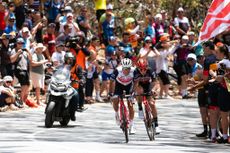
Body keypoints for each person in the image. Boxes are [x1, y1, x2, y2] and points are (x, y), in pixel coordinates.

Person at [133, 59, 161, 134]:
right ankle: (140, 108)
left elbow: (155, 82)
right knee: (139, 91)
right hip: (140, 86)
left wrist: (154, 90)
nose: (143, 71)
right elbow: (135, 84)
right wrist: (134, 93)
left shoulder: (151, 71)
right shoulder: (135, 72)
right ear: (138, 68)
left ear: (147, 67)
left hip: (148, 86)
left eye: (144, 69)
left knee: (152, 104)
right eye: (140, 69)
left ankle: (156, 125)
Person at [110, 58, 136, 134]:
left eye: (128, 68)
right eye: (125, 68)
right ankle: (116, 113)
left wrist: (133, 92)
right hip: (119, 86)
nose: (126, 70)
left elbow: (136, 82)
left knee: (130, 105)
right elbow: (111, 81)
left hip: (129, 86)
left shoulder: (134, 71)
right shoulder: (117, 70)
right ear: (122, 66)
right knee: (115, 99)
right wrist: (110, 93)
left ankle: (131, 125)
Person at [10, 37, 32, 107]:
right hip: (18, 69)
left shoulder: (25, 51)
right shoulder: (14, 50)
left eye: (22, 43)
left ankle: (22, 100)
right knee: (23, 85)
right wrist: (17, 53)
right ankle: (21, 101)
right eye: (19, 43)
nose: (20, 44)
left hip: (25, 70)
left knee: (27, 85)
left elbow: (30, 60)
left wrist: (28, 52)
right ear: (16, 43)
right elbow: (12, 60)